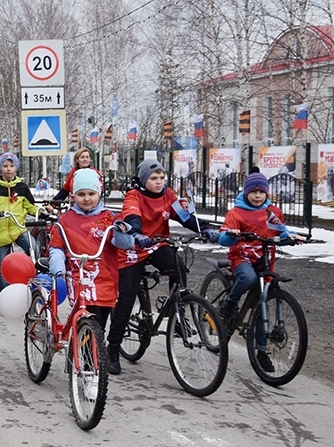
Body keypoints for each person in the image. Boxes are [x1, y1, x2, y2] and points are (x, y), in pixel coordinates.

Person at [106, 159, 219, 375]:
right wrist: (136, 234)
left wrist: (204, 229)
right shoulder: (134, 196)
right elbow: (132, 217)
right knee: (127, 296)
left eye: (161, 178)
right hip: (135, 246)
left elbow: (185, 217)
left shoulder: (168, 195)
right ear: (143, 180)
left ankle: (176, 313)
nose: (159, 182)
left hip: (156, 244)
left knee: (178, 265)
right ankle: (112, 347)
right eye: (153, 178)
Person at [217, 172, 303, 372]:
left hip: (265, 261)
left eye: (261, 192)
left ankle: (262, 352)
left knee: (263, 303)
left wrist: (291, 237)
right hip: (242, 258)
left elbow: (280, 232)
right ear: (246, 192)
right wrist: (231, 235)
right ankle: (230, 303)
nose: (257, 196)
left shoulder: (271, 212)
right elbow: (223, 238)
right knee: (248, 278)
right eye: (253, 192)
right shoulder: (237, 213)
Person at [48, 169, 133, 328]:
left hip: (105, 278)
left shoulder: (110, 217)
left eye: (91, 194)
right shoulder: (65, 220)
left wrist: (122, 231)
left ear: (99, 194)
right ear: (73, 196)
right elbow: (57, 247)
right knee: (86, 321)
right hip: (78, 277)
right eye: (81, 194)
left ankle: (92, 349)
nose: (87, 199)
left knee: (100, 325)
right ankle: (83, 348)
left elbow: (124, 244)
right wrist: (58, 269)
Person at [0, 152, 40, 292]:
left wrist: (43, 211)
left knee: (34, 249)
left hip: (18, 229)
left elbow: (31, 206)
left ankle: (30, 280)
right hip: (1, 233)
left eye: (11, 165)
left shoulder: (22, 187)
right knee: (2, 267)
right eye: (5, 165)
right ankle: (3, 293)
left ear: (16, 168)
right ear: (0, 168)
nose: (8, 168)